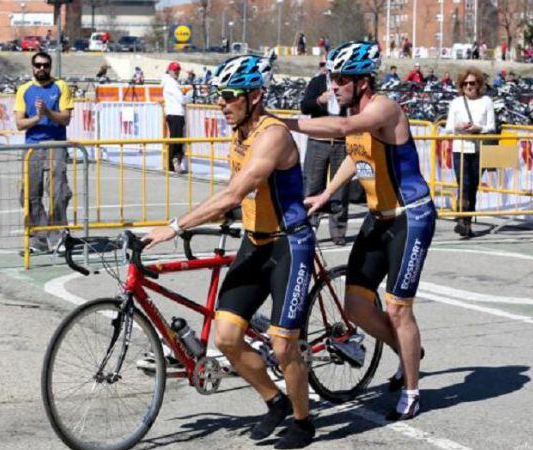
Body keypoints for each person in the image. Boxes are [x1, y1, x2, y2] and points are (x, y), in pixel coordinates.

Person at [144, 52, 317, 449]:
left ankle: (303, 421)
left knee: (282, 343)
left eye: (229, 96)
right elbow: (239, 195)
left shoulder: (272, 135)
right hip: (254, 240)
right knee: (224, 337)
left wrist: (175, 226)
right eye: (218, 95)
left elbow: (234, 193)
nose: (221, 103)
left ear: (254, 96)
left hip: (289, 243)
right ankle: (275, 401)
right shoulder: (239, 132)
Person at [283, 41, 436, 421]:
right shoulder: (356, 111)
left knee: (397, 309)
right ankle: (409, 351)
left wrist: (283, 122)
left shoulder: (383, 108)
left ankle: (412, 390)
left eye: (339, 79)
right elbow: (356, 153)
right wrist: (325, 193)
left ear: (363, 81)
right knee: (355, 306)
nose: (331, 86)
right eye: (331, 78)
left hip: (409, 216)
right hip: (377, 217)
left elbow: (347, 128)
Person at [13, 52, 74, 253]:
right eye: (38, 65)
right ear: (32, 67)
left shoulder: (61, 87)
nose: (41, 69)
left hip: (56, 144)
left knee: (58, 192)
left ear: (50, 67)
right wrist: (38, 118)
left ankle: (57, 235)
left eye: (45, 65)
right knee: (30, 193)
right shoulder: (24, 90)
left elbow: (65, 118)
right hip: (32, 147)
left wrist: (48, 113)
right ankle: (38, 238)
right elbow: (20, 123)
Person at [301, 55, 349, 246]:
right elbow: (304, 106)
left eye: (326, 66)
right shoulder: (317, 82)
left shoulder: (346, 84)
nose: (324, 69)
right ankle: (309, 227)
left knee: (340, 189)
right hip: (318, 140)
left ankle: (338, 231)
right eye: (322, 66)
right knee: (313, 186)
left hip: (340, 142)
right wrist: (320, 100)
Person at [444, 67, 495, 238]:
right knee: (464, 184)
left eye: (472, 83)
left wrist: (478, 128)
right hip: (460, 148)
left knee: (473, 187)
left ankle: (467, 223)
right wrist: (458, 127)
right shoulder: (456, 102)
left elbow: (491, 126)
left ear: (479, 84)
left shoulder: (487, 101)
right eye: (465, 83)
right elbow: (448, 128)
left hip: (479, 148)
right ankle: (462, 219)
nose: (468, 86)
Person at [163, 61, 187, 173]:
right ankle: (172, 163)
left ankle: (172, 163)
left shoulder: (169, 82)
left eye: (178, 70)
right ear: (170, 71)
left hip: (173, 113)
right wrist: (187, 97)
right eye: (175, 70)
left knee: (175, 139)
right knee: (176, 140)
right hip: (176, 113)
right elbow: (181, 99)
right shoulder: (171, 83)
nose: (177, 72)